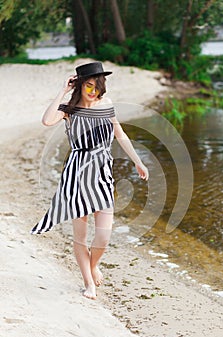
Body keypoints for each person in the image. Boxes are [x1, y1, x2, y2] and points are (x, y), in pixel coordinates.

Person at [31, 61, 149, 300]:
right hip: (77, 174)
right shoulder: (69, 109)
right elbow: (46, 121)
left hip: (103, 173)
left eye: (97, 85)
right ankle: (88, 284)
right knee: (80, 236)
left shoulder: (106, 104)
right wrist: (62, 91)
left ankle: (94, 264)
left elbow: (120, 134)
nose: (93, 90)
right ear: (79, 85)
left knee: (104, 235)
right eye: (88, 85)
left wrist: (138, 160)